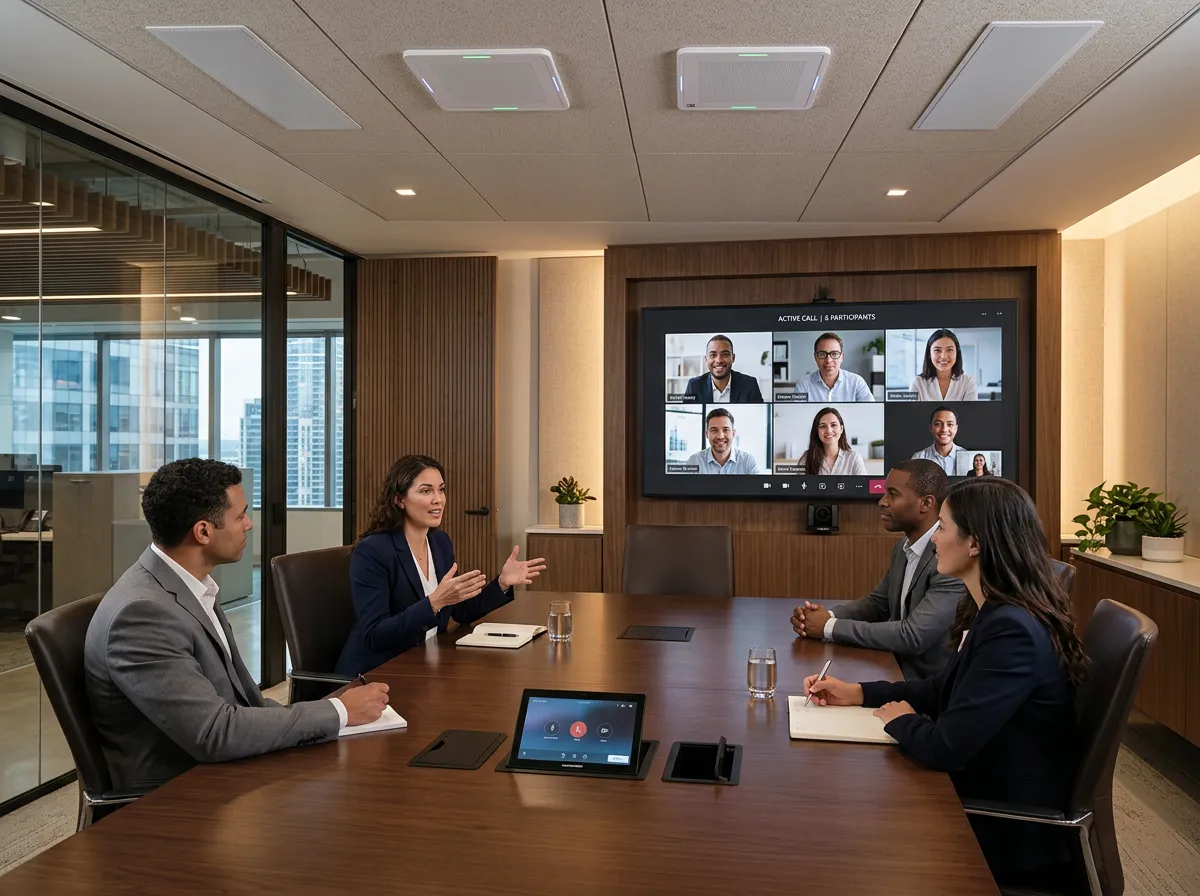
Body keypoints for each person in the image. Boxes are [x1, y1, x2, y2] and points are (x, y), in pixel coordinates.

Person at [803, 477, 1086, 886]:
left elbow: (945, 747)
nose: (935, 538)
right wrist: (861, 693)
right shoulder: (993, 610)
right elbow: (943, 688)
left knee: (836, 834)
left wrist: (899, 720)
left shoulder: (1013, 631)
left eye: (945, 527)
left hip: (1000, 827)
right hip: (976, 789)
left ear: (975, 543)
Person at [84, 459, 391, 791]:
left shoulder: (191, 587)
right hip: (182, 793)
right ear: (203, 531)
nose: (249, 525)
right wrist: (337, 712)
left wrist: (329, 712)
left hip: (227, 765)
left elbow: (246, 703)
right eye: (241, 515)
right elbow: (214, 733)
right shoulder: (143, 614)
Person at [336, 455, 546, 677]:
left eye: (441, 490)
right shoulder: (373, 551)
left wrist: (502, 583)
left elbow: (462, 611)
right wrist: (434, 603)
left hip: (425, 663)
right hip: (377, 674)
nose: (438, 499)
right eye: (426, 491)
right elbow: (374, 634)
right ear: (399, 499)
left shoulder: (439, 542)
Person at [791, 460, 965, 679]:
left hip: (929, 691)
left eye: (893, 494)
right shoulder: (903, 548)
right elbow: (877, 604)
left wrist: (828, 627)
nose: (882, 502)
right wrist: (827, 615)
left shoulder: (948, 559)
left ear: (926, 503)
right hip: (891, 670)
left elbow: (913, 635)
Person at [683, 334, 764, 403]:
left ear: (733, 358)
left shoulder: (750, 384)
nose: (719, 360)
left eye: (725, 354)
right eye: (713, 355)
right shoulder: (694, 386)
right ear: (706, 359)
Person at [794, 333, 874, 402]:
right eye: (822, 354)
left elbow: (870, 413)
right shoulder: (803, 385)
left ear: (842, 357)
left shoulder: (857, 382)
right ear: (815, 357)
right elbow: (798, 415)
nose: (828, 360)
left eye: (834, 354)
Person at [685, 408, 760, 474]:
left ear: (733, 434)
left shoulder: (747, 461)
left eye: (726, 430)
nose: (720, 436)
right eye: (714, 430)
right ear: (706, 434)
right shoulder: (694, 461)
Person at [910, 329, 978, 400]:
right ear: (929, 354)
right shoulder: (917, 383)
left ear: (957, 353)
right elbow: (912, 411)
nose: (943, 356)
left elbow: (971, 411)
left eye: (949, 350)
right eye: (937, 350)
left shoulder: (968, 383)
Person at [797, 407, 867, 475]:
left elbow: (864, 486)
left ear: (841, 429)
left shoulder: (854, 458)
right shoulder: (806, 459)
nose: (829, 431)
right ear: (817, 431)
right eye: (823, 426)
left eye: (833, 425)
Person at [911, 406, 969, 476]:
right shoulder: (919, 458)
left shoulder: (967, 457)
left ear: (956, 428)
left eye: (950, 424)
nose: (944, 429)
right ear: (930, 427)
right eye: (938, 424)